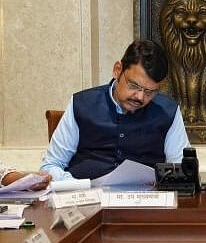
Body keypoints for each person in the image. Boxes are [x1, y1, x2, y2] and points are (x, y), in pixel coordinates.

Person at [41, 39, 190, 181]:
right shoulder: (81, 104)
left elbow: (183, 170)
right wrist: (79, 185)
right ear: (117, 70)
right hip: (87, 199)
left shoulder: (168, 111)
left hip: (142, 202)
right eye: (134, 86)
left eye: (149, 92)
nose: (140, 97)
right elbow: (50, 166)